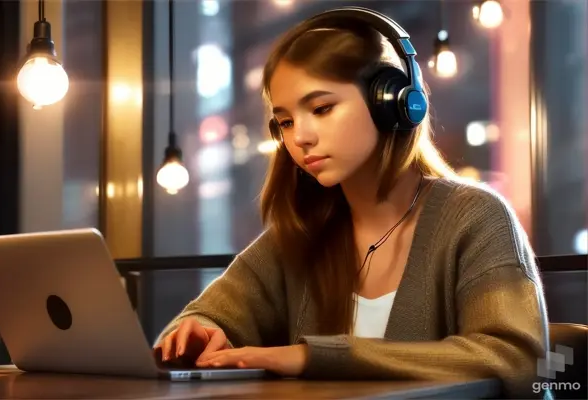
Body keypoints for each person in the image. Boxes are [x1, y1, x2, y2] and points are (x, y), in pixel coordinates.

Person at [154, 7, 549, 399]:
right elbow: (210, 314)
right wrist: (199, 329)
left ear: (391, 103)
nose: (300, 137)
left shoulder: (475, 217)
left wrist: (312, 357)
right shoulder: (303, 230)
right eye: (286, 121)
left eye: (322, 108)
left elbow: (516, 359)